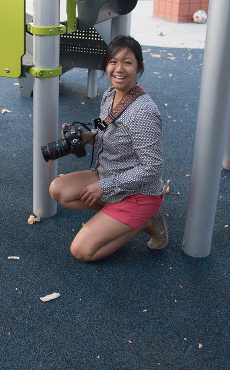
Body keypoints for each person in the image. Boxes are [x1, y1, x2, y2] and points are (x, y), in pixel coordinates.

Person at [49, 35, 166, 262]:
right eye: (113, 61)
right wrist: (87, 137)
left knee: (82, 251)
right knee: (58, 190)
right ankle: (116, 218)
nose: (118, 69)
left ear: (139, 66)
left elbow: (152, 168)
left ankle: (146, 221)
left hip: (138, 193)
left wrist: (103, 186)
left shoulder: (143, 113)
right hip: (108, 176)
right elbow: (109, 136)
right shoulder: (110, 95)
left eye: (127, 62)